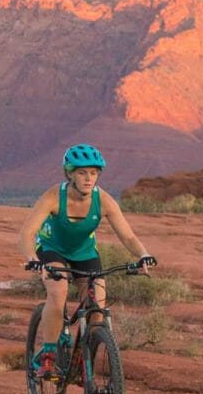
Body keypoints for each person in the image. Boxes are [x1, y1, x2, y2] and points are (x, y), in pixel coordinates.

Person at [18, 143, 156, 376]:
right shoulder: (54, 196)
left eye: (93, 172)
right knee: (58, 292)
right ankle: (49, 356)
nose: (89, 178)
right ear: (70, 173)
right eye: (82, 172)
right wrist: (33, 259)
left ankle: (83, 360)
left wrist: (143, 254)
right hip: (52, 250)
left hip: (85, 254)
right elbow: (26, 233)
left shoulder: (103, 201)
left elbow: (128, 235)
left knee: (97, 308)